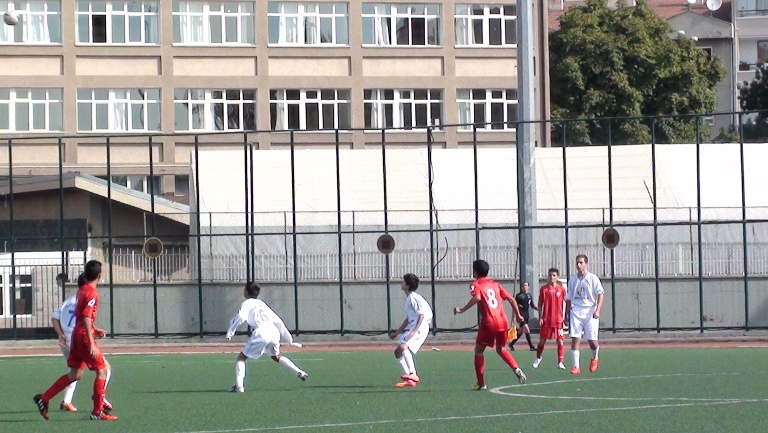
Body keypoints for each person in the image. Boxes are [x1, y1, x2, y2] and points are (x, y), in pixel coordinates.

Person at [34, 260, 117, 421]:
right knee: (102, 370)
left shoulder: (81, 291)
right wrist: (91, 342)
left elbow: (81, 317)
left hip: (76, 336)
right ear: (99, 276)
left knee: (75, 374)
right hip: (84, 337)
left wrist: (94, 329)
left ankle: (44, 398)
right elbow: (86, 317)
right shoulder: (92, 293)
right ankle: (97, 412)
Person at [454, 259, 528, 390]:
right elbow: (511, 299)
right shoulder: (495, 284)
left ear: (474, 272)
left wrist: (462, 309)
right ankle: (516, 368)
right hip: (502, 321)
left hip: (489, 322)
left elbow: (477, 297)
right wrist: (518, 315)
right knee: (501, 349)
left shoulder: (475, 284)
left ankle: (481, 383)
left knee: (479, 351)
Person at [226, 281, 308, 393]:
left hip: (262, 332)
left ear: (246, 292)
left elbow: (240, 317)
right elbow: (278, 321)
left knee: (241, 358)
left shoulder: (247, 303)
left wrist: (230, 332)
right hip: (274, 332)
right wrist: (289, 339)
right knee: (276, 357)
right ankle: (300, 372)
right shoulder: (262, 304)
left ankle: (239, 386)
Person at [51, 273, 114, 413]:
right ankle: (99, 396)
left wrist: (60, 334)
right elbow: (85, 320)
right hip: (78, 340)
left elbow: (54, 317)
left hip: (66, 341)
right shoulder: (85, 298)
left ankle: (66, 401)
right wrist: (91, 337)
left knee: (75, 372)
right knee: (105, 368)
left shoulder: (68, 301)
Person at [388, 273, 433, 388]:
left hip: (420, 326)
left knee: (404, 347)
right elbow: (408, 319)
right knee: (398, 352)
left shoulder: (413, 297)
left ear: (407, 285)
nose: (401, 283)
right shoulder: (409, 298)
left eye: (403, 281)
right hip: (415, 326)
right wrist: (396, 333)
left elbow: (421, 315)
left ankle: (413, 374)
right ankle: (409, 379)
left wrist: (414, 331)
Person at [566, 254, 604, 374]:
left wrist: (597, 310)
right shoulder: (573, 280)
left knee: (592, 341)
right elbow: (568, 298)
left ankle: (594, 357)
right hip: (576, 311)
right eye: (577, 263)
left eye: (581, 263)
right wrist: (567, 314)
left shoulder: (593, 278)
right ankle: (576, 366)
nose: (579, 265)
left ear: (586, 264)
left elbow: (600, 294)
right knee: (575, 338)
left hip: (590, 311)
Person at [532, 268, 567, 369]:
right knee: (542, 340)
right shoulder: (544, 289)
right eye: (550, 275)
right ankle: (538, 358)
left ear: (557, 277)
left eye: (554, 275)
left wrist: (565, 317)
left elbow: (567, 303)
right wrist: (540, 317)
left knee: (560, 341)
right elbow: (540, 304)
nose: (552, 277)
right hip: (547, 319)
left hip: (558, 320)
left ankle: (560, 362)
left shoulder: (561, 289)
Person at [508, 281, 537, 351]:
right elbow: (515, 305)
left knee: (520, 331)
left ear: (528, 287)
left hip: (526, 315)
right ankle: (531, 346)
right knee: (527, 329)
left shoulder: (529, 295)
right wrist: (515, 315)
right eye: (523, 285)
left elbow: (532, 305)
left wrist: (538, 309)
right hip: (521, 315)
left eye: (526, 285)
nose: (524, 287)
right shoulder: (519, 296)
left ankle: (511, 344)